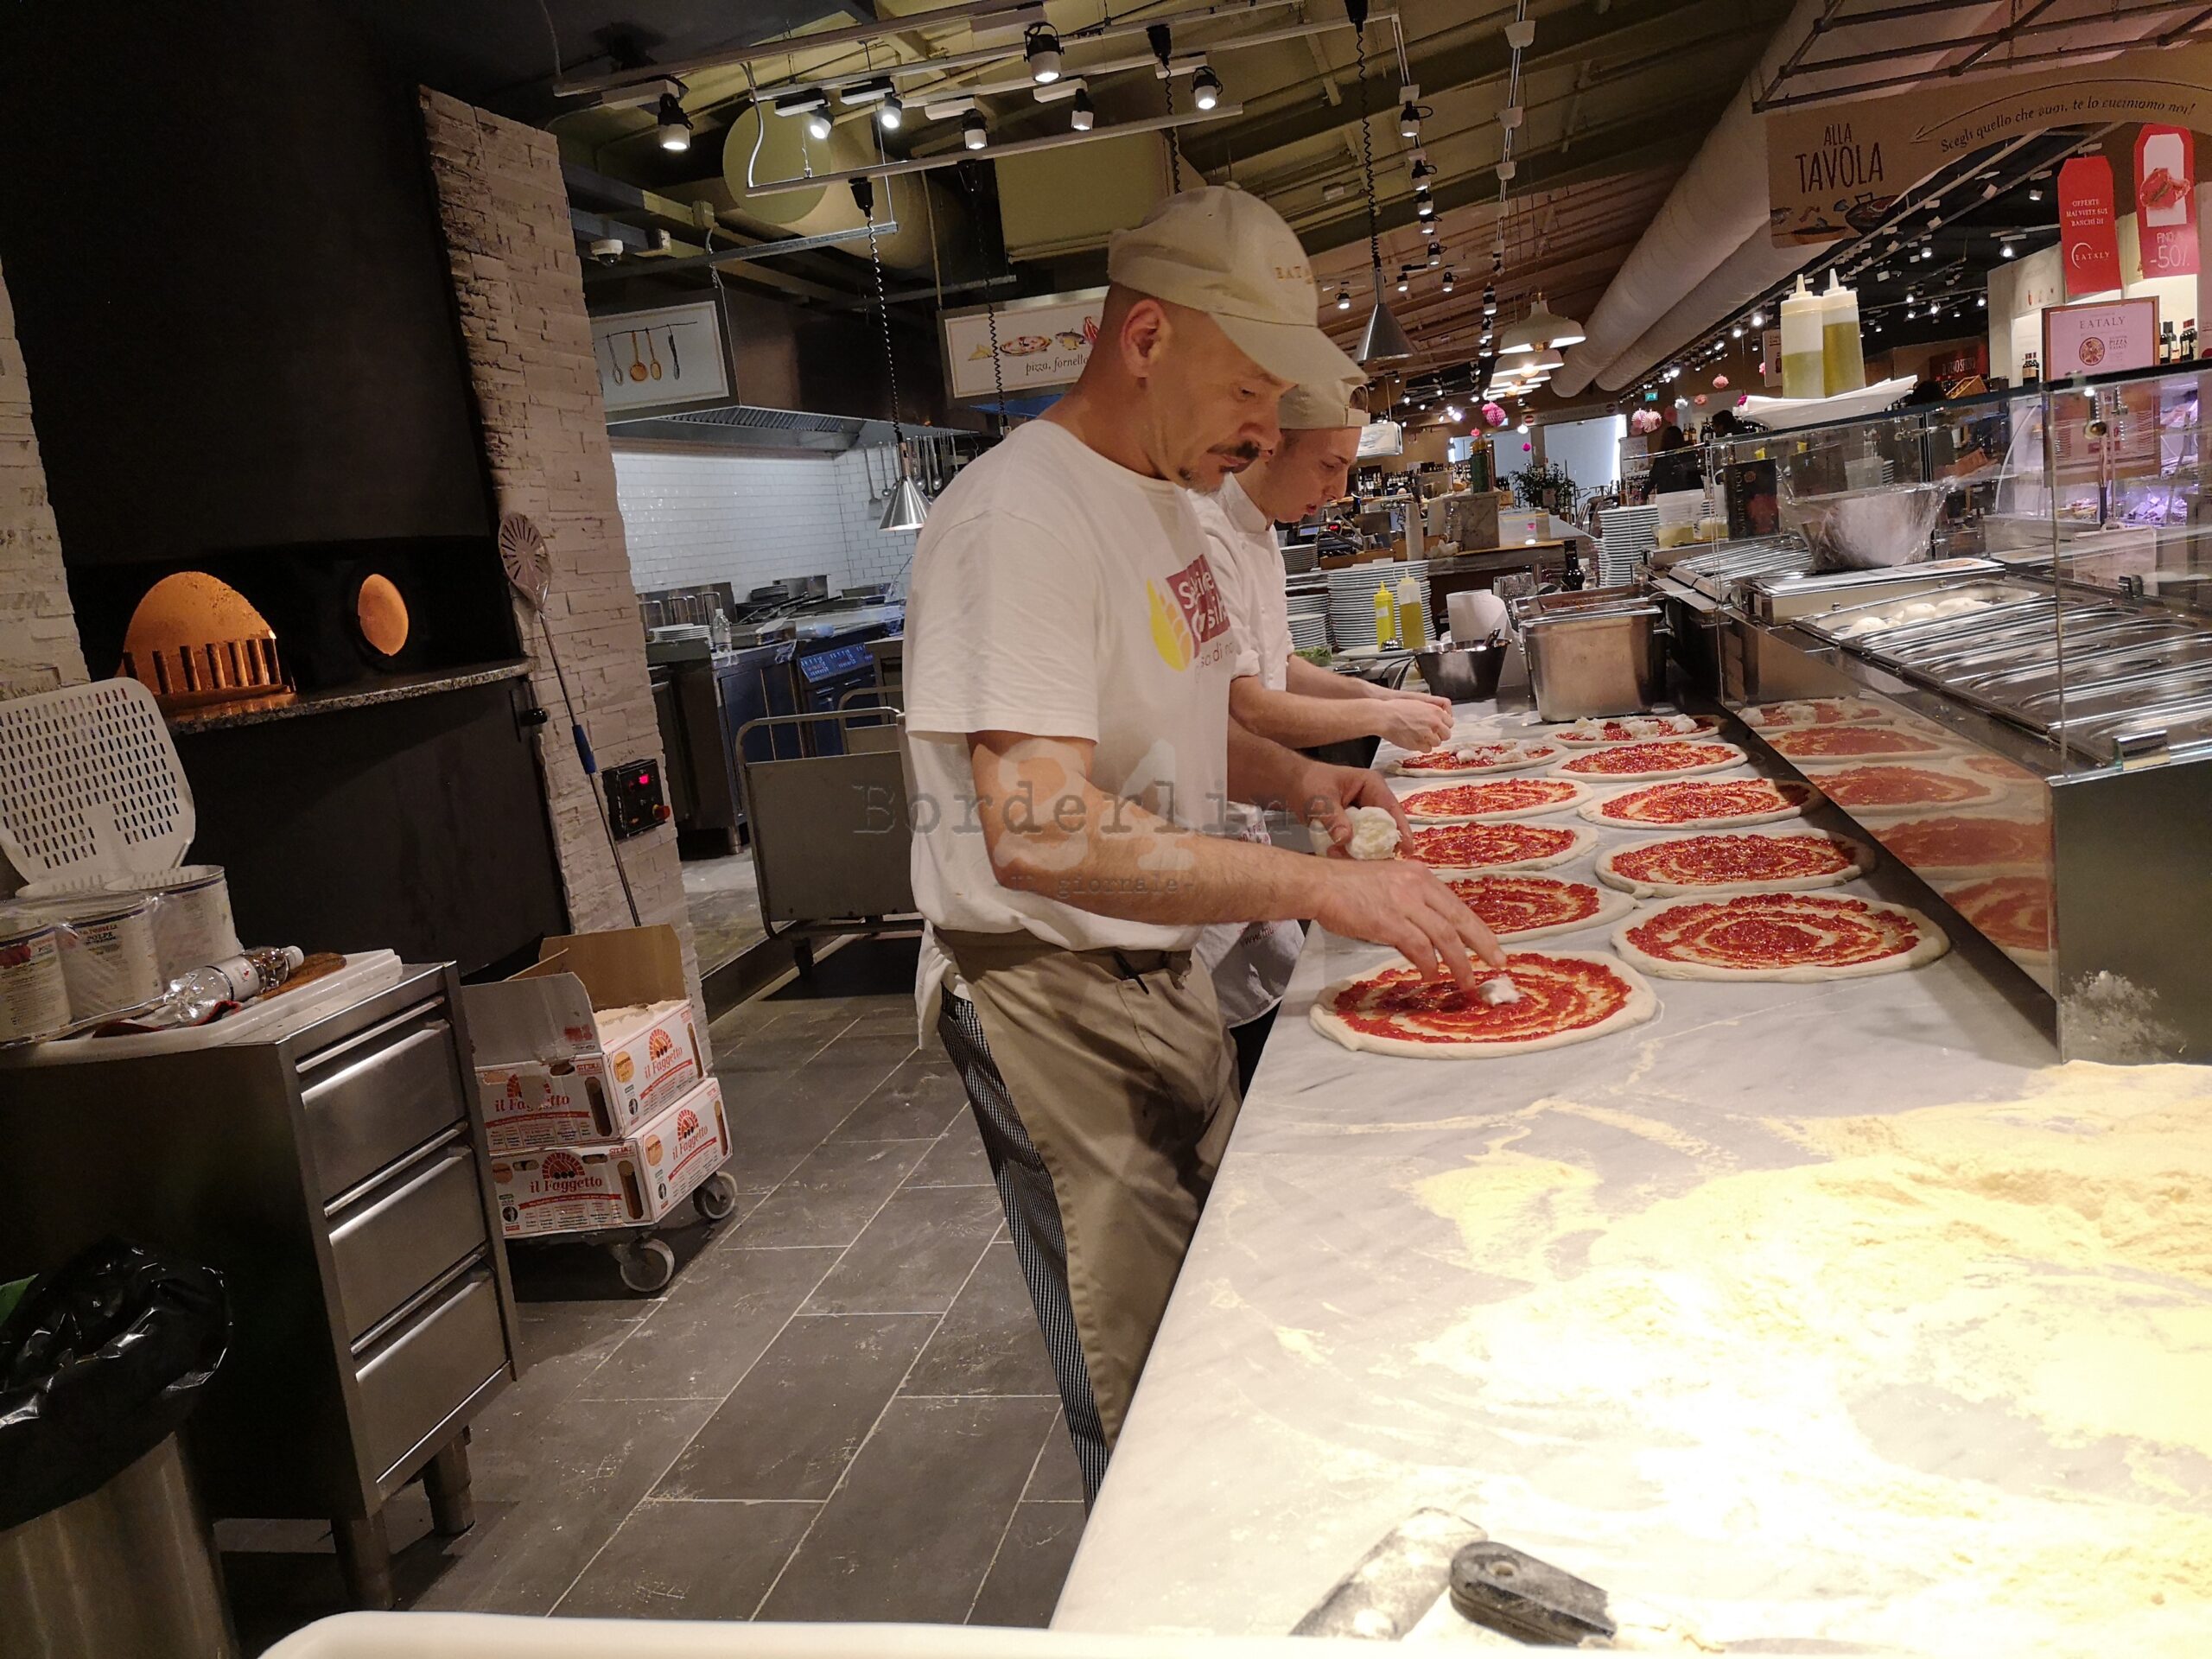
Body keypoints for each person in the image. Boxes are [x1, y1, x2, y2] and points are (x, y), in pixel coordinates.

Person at [900, 188, 1505, 1501]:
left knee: (1218, 1330)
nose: (1268, 429)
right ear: (1146, 339)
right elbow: (1038, 827)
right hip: (1052, 991)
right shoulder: (1024, 515)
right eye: (1248, 389)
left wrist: (1307, 783)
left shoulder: (1171, 501)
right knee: (1145, 1387)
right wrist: (1317, 885)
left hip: (1154, 966)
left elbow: (1196, 718)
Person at [1190, 377, 1455, 1090]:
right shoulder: (1206, 532)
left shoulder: (1262, 530)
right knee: (1235, 1051)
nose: (1337, 491)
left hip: (1241, 816)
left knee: (1278, 1034)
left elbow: (1280, 665)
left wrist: (1379, 693)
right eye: (1329, 466)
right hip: (1196, 836)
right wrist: (1381, 717)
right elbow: (1252, 706)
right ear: (1270, 446)